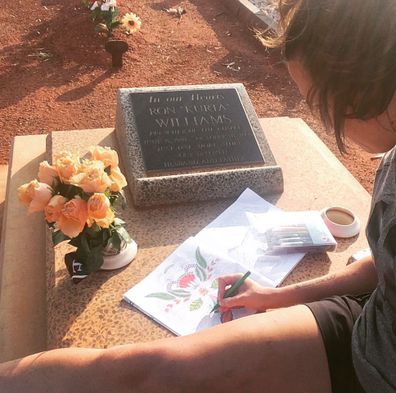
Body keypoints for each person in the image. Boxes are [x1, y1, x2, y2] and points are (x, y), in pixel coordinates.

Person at [1, 0, 395, 392]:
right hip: (367, 326)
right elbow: (383, 268)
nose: (320, 118)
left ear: (360, 91)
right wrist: (276, 297)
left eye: (319, 104)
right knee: (137, 372)